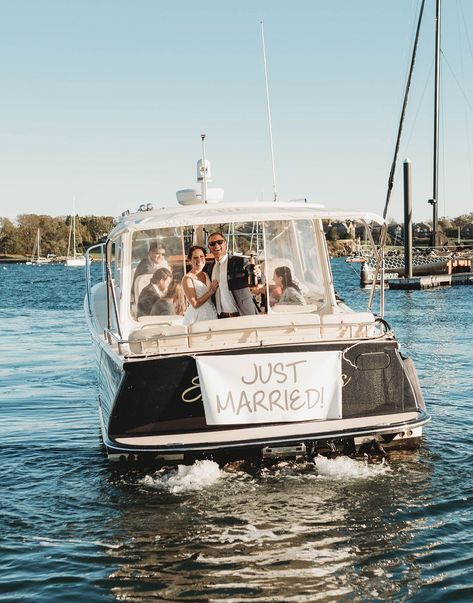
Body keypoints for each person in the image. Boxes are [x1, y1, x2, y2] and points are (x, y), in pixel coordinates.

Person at [206, 232, 262, 318]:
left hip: (243, 314)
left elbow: (257, 278)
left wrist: (259, 274)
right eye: (212, 243)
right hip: (221, 317)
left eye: (220, 242)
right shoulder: (210, 268)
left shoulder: (240, 261)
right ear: (209, 247)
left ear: (225, 243)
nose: (216, 245)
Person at [181, 246, 219, 325]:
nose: (199, 260)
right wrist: (211, 291)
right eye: (195, 257)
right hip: (197, 316)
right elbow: (194, 304)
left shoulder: (206, 274)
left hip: (211, 312)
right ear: (190, 260)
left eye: (201, 256)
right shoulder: (187, 278)